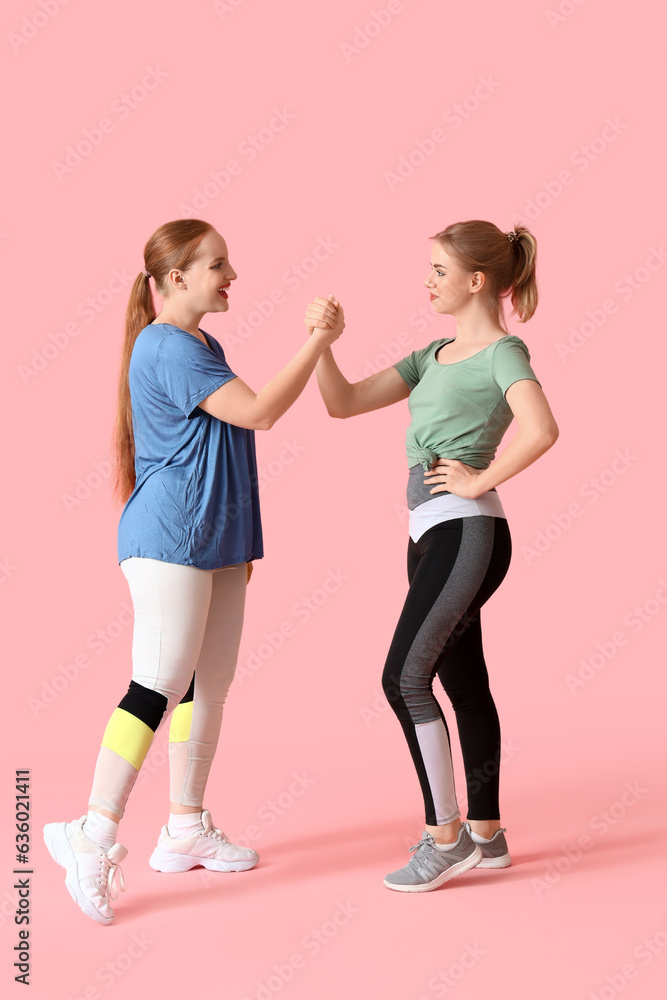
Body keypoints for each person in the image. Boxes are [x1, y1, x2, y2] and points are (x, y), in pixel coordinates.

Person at [43, 219, 344, 924]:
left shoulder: (203, 342)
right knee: (158, 683)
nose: (230, 274)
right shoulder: (166, 346)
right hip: (169, 540)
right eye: (217, 265)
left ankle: (184, 827)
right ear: (175, 278)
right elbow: (260, 414)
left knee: (209, 685)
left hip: (214, 545)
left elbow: (224, 447)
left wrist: (237, 548)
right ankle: (90, 833)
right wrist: (317, 342)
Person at [306, 219, 559, 892]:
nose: (426, 282)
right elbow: (343, 403)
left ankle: (442, 837)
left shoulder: (502, 352)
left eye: (438, 272)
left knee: (403, 678)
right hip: (429, 534)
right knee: (461, 681)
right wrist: (323, 344)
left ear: (476, 281)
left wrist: (478, 478)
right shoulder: (430, 354)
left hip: (467, 530)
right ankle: (488, 833)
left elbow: (541, 428)